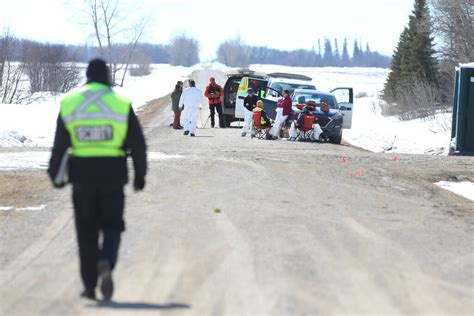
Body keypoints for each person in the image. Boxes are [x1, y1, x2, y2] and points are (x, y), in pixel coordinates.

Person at [47, 58, 147, 301]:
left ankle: (90, 286)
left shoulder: (70, 103)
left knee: (86, 231)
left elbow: (60, 145)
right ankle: (106, 261)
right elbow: (138, 144)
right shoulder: (121, 103)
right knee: (112, 225)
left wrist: (55, 175)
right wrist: (140, 176)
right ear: (108, 76)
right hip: (113, 175)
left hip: (82, 177)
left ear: (87, 75)